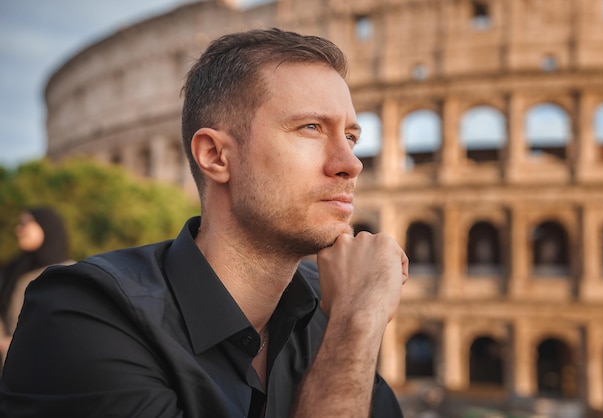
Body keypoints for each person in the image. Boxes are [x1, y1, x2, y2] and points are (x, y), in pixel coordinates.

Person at [0, 28, 408, 417]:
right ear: (215, 156)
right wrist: (357, 323)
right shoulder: (81, 315)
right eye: (312, 128)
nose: (350, 164)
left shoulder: (328, 306)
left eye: (351, 137)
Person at [0, 207, 72, 365]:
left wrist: (15, 343)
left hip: (42, 368)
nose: (18, 229)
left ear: (46, 228)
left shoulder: (67, 274)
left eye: (26, 224)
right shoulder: (14, 268)